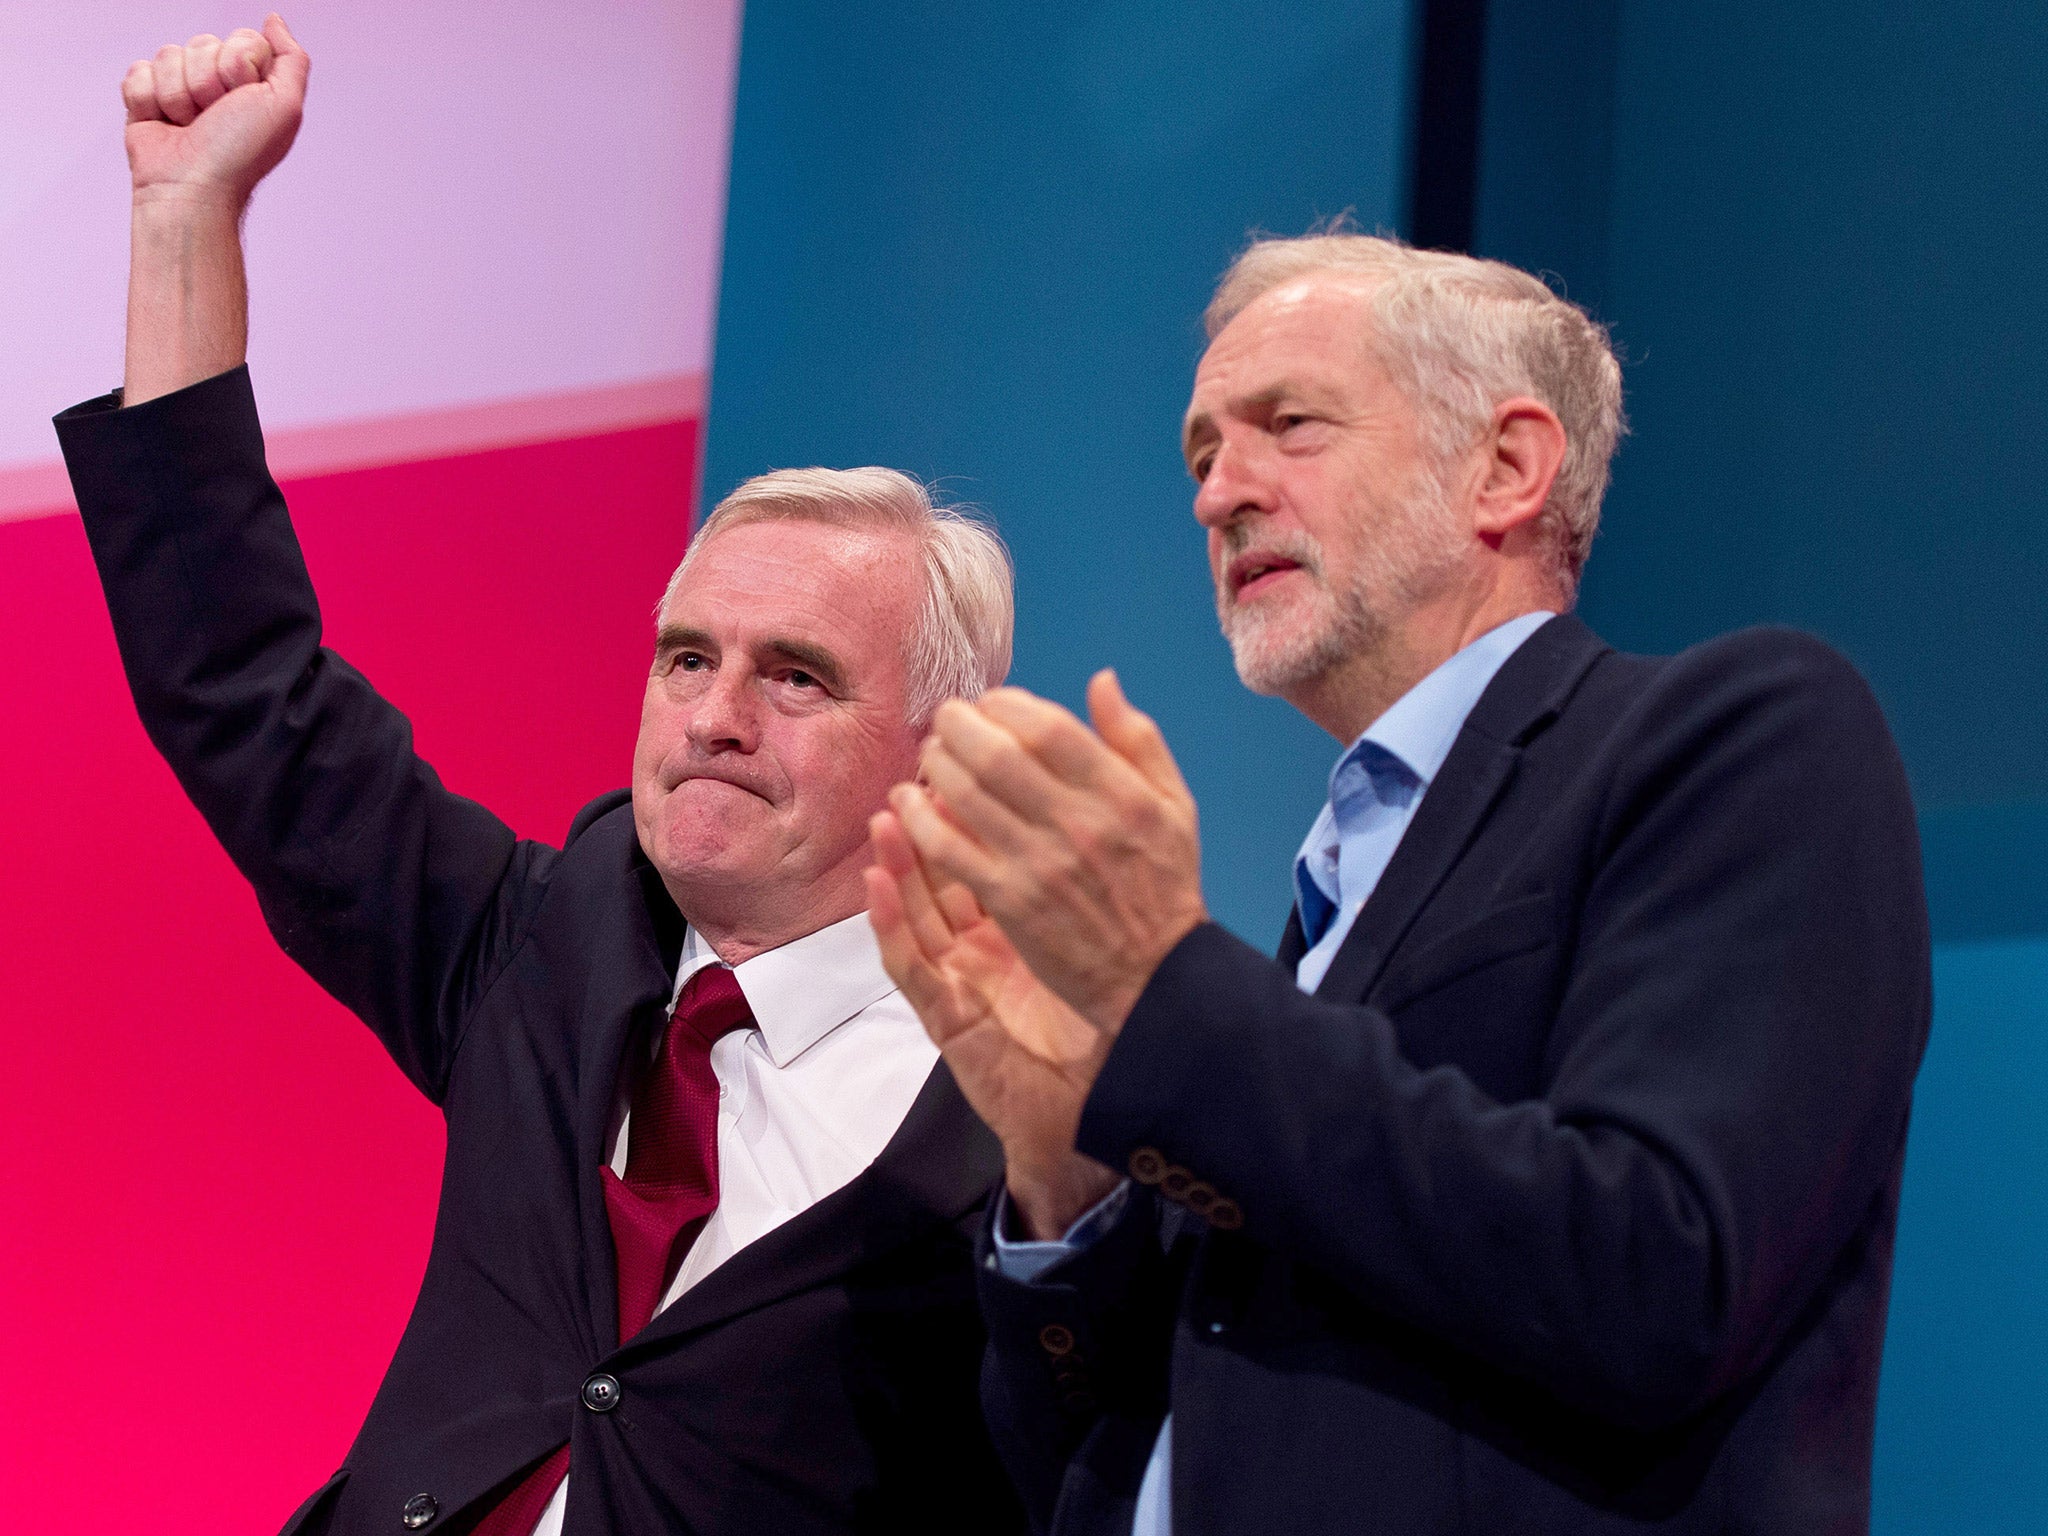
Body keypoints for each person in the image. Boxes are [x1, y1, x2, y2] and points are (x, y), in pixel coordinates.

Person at [54, 18, 1025, 1535]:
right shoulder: (546, 953)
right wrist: (184, 222)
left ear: (943, 747)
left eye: (796, 676)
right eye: (685, 658)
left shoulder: (1021, 1098)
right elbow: (241, 689)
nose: (711, 713)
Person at [867, 230, 1931, 1534]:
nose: (1216, 494)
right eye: (1203, 453)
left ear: (1506, 467)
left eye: (1287, 425)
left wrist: (1169, 990)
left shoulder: (1744, 735)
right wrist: (1061, 1174)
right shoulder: (1320, 913)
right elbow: (1091, 1463)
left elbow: (1659, 1272)